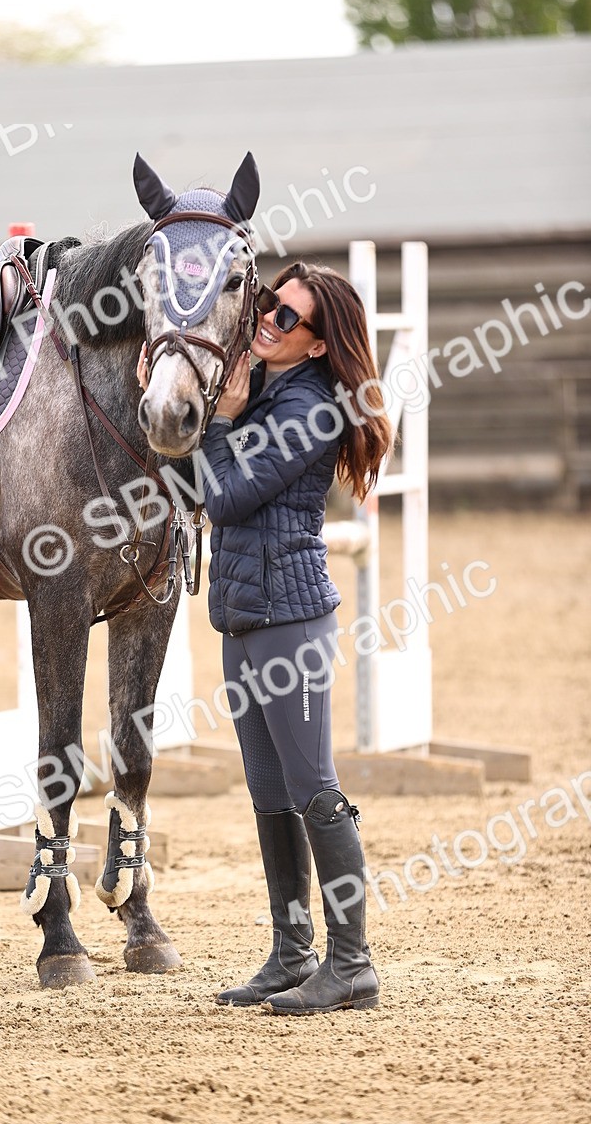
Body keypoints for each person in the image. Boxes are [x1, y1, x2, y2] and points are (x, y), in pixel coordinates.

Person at [142, 261, 393, 1016]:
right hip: (245, 614)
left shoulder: (310, 405)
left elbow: (228, 492)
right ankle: (292, 952)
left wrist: (218, 423)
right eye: (270, 307)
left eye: (288, 318)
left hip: (291, 618)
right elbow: (186, 474)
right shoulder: (266, 391)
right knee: (269, 792)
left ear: (318, 344)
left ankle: (352, 962)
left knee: (314, 788)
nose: (269, 320)